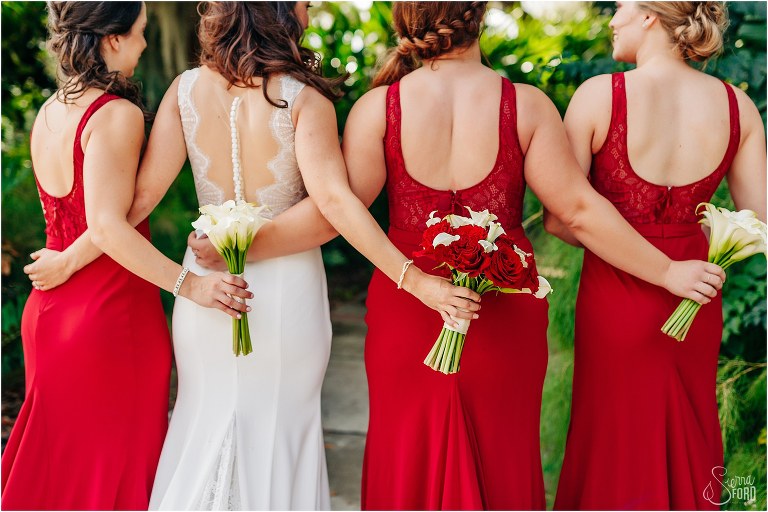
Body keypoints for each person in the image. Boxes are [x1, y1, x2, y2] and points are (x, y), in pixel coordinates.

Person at [337, 1, 728, 509]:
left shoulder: (378, 108)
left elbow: (344, 212)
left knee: (405, 451)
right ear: (477, 16)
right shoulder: (525, 106)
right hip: (505, 309)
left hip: (405, 304)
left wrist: (410, 277)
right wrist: (667, 270)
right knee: (503, 455)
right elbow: (578, 210)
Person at [545, 2, 766, 509]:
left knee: (611, 437)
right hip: (698, 294)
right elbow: (758, 223)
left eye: (620, 6)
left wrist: (630, 248)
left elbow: (561, 217)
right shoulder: (738, 107)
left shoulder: (599, 96)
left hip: (615, 297)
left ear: (649, 16)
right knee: (686, 428)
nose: (612, 18)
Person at [1, 3, 175, 509]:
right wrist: (191, 284)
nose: (145, 45)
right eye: (141, 34)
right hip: (110, 317)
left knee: (62, 482)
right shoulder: (115, 116)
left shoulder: (51, 112)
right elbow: (106, 226)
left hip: (51, 315)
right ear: (113, 39)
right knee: (117, 478)